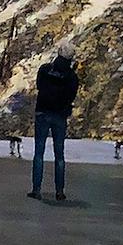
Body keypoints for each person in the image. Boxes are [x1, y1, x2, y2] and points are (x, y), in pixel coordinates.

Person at [29, 42, 79, 201]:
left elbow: (39, 86)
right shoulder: (72, 77)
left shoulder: (45, 70)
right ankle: (59, 191)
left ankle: (36, 189)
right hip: (60, 116)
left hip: (43, 112)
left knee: (39, 152)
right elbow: (71, 96)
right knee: (59, 154)